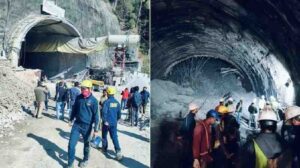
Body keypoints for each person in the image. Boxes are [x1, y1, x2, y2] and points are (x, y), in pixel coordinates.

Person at [67, 80, 99, 168]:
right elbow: (74, 109)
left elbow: (97, 116)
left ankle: (85, 159)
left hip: (87, 127)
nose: (82, 90)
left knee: (87, 144)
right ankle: (70, 164)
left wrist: (96, 129)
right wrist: (71, 119)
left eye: (84, 89)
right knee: (71, 145)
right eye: (81, 88)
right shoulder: (78, 97)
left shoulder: (94, 101)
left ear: (89, 89)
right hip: (77, 125)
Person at [101, 86, 123, 160]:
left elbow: (104, 113)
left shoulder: (106, 102)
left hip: (106, 123)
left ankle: (104, 148)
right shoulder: (117, 103)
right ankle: (118, 151)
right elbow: (119, 114)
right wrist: (116, 120)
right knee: (114, 137)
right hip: (114, 123)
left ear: (108, 93)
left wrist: (105, 121)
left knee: (104, 136)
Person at [180, 102, 200, 168]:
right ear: (194, 109)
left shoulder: (187, 117)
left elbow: (182, 129)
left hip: (184, 140)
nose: (197, 109)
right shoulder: (192, 119)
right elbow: (191, 132)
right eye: (197, 108)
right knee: (189, 158)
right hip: (189, 141)